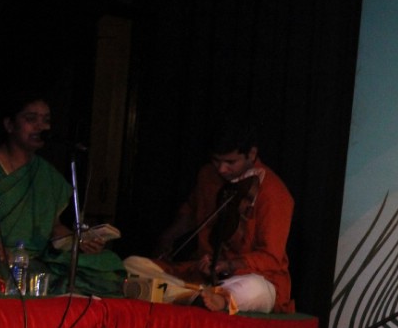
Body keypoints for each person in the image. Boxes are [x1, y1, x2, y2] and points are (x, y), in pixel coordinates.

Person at [0, 87, 125, 296]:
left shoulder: (47, 175)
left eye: (46, 120)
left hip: (34, 259)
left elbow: (53, 227)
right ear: (9, 124)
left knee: (107, 265)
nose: (40, 127)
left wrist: (80, 240)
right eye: (31, 119)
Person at [124, 119, 294, 314]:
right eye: (216, 160)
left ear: (252, 154)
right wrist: (168, 237)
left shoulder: (273, 193)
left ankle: (218, 299)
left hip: (248, 277)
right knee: (132, 265)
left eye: (230, 162)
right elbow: (191, 213)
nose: (222, 169)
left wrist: (228, 265)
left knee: (256, 290)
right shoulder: (208, 175)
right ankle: (191, 296)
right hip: (202, 275)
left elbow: (271, 258)